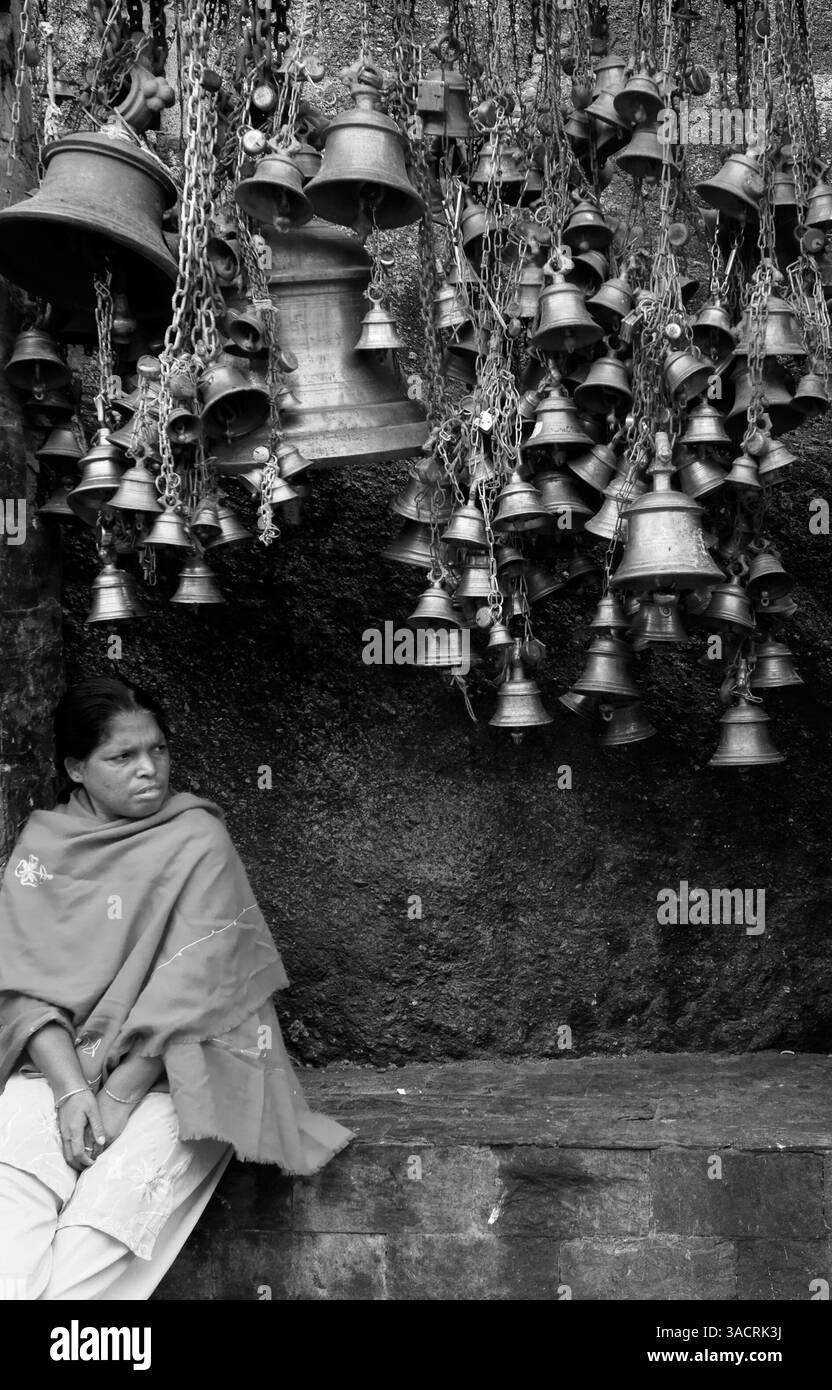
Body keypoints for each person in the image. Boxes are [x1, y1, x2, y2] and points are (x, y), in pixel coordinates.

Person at [0, 675, 355, 1300]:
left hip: (186, 1070)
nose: (149, 770)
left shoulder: (198, 839)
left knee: (104, 1226)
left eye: (158, 750)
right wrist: (70, 1093)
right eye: (122, 757)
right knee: (12, 1207)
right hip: (60, 1067)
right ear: (75, 768)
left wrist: (115, 1100)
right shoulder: (43, 848)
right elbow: (23, 990)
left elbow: (202, 990)